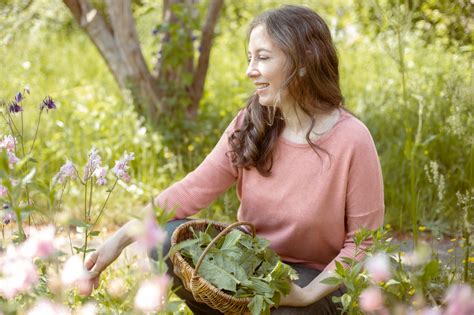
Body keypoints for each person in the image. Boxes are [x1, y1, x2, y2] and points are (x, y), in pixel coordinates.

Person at [85, 5, 384, 314]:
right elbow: (190, 191)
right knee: (164, 241)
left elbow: (363, 243)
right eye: (250, 58)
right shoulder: (252, 121)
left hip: (317, 280)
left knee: (287, 312)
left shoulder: (352, 139)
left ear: (304, 62)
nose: (250, 70)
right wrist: (119, 239)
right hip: (251, 266)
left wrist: (305, 294)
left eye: (263, 58)